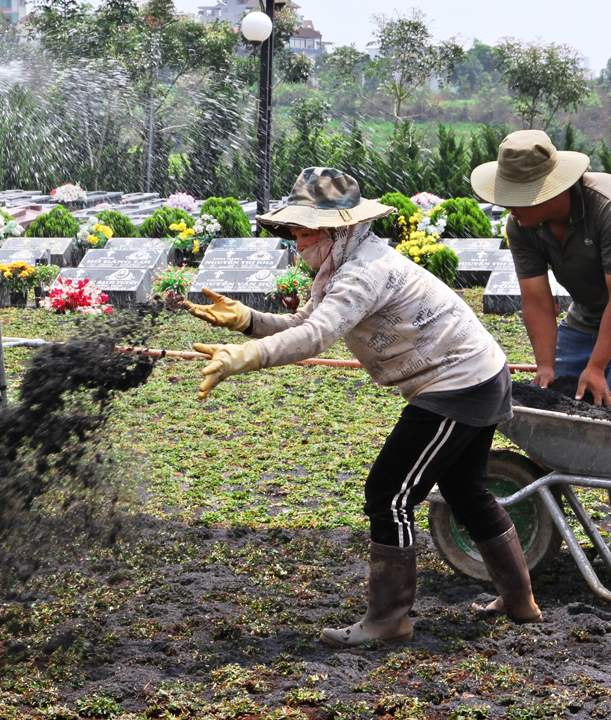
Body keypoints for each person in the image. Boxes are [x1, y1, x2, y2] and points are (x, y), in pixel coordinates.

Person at [186, 167, 542, 647]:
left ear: (338, 229)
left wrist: (247, 358)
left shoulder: (365, 271)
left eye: (304, 232)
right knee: (466, 492)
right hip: (472, 375)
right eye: (293, 232)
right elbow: (307, 319)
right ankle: (520, 602)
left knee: (389, 494)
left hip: (457, 384)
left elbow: (315, 337)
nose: (297, 242)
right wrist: (249, 321)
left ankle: (389, 619)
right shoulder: (344, 265)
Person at [471, 130, 611, 566]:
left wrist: (598, 367)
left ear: (550, 191)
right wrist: (546, 365)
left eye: (519, 195)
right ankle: (547, 520)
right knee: (551, 403)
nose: (509, 204)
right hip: (589, 310)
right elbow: (535, 298)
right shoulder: (522, 225)